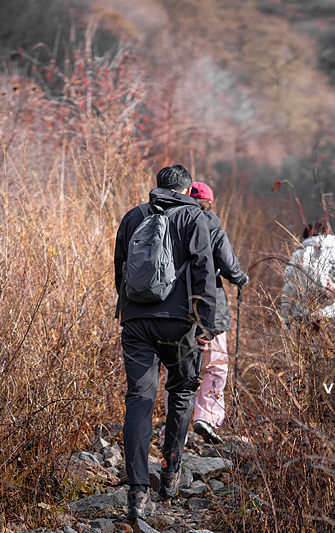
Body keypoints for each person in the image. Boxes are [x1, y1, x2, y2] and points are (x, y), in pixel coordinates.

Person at [114, 164, 217, 522]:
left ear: (157, 187)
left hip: (137, 322)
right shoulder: (194, 217)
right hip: (181, 324)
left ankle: (137, 491)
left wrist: (130, 312)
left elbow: (120, 268)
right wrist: (206, 324)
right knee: (183, 390)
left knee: (139, 400)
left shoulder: (133, 216)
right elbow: (204, 270)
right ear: (188, 191)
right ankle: (171, 473)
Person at [162, 182, 249, 445]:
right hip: (211, 309)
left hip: (175, 308)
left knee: (177, 369)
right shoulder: (213, 228)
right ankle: (207, 418)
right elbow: (231, 269)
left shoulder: (170, 222)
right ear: (210, 202)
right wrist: (242, 279)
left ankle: (174, 427)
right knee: (215, 365)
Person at [280, 221, 335, 329]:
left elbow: (289, 290)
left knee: (307, 346)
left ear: (305, 237)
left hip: (305, 314)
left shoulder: (299, 255)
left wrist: (285, 320)